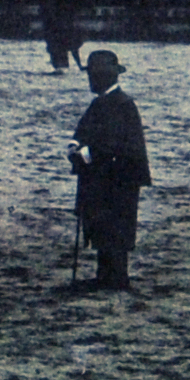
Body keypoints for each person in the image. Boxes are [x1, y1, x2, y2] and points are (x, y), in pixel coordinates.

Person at [69, 50, 152, 291]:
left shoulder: (122, 104)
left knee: (115, 225)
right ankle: (104, 275)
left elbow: (115, 144)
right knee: (101, 223)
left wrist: (85, 154)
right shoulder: (102, 102)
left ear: (104, 77)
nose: (90, 81)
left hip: (120, 177)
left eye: (94, 76)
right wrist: (75, 145)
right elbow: (83, 130)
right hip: (104, 175)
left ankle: (116, 277)